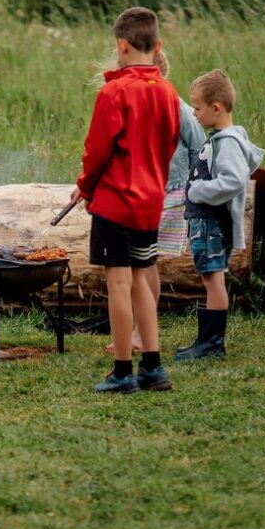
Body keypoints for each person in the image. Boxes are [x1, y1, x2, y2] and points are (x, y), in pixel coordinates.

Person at [72, 7, 179, 393]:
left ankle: (121, 372)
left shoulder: (114, 92)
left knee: (118, 283)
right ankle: (153, 367)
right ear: (158, 45)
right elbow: (168, 146)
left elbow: (96, 150)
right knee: (140, 281)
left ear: (121, 45)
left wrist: (85, 187)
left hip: (116, 203)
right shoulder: (168, 92)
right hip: (150, 203)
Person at [105, 46, 204, 356]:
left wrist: (190, 187)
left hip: (170, 194)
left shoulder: (177, 106)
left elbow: (200, 146)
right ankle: (140, 332)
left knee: (145, 262)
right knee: (141, 261)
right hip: (142, 193)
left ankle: (141, 334)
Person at [177, 69, 265, 360]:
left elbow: (234, 180)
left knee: (213, 279)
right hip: (207, 223)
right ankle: (206, 341)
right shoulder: (220, 138)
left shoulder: (226, 142)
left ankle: (212, 344)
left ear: (216, 108)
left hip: (212, 223)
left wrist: (198, 191)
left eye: (198, 108)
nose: (194, 112)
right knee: (210, 278)